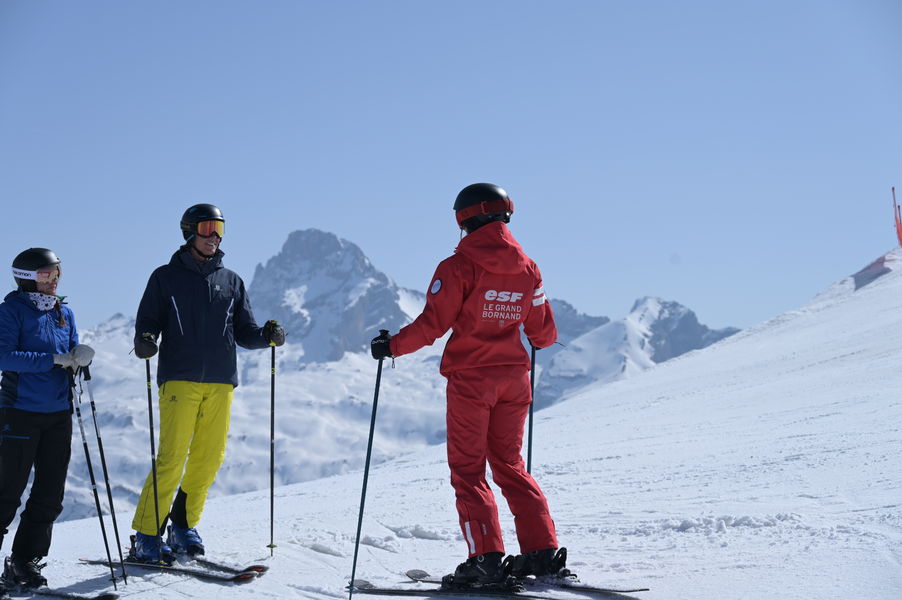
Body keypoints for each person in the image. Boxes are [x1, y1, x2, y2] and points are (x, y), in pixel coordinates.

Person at [369, 183, 566, 586]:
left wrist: (391, 346)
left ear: (464, 218)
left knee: (468, 470)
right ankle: (542, 553)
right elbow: (543, 333)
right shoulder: (529, 267)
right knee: (510, 465)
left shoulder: (458, 267)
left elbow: (432, 326)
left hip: (472, 380)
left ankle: (486, 560)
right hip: (515, 380)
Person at [129, 204, 285, 563]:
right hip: (179, 379)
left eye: (220, 228)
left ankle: (183, 525)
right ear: (189, 231)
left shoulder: (231, 281)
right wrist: (146, 339)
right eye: (208, 227)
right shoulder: (164, 278)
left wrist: (267, 336)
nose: (215, 235)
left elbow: (245, 332)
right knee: (171, 458)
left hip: (219, 381)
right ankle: (147, 534)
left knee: (209, 458)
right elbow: (148, 320)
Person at [0, 248, 94, 594]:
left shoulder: (63, 313)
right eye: (45, 275)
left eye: (57, 273)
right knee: (7, 492)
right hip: (20, 412)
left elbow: (69, 353)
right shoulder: (10, 312)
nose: (53, 280)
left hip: (57, 414)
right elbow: (4, 356)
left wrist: (79, 357)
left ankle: (25, 561)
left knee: (50, 494)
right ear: (26, 278)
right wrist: (54, 359)